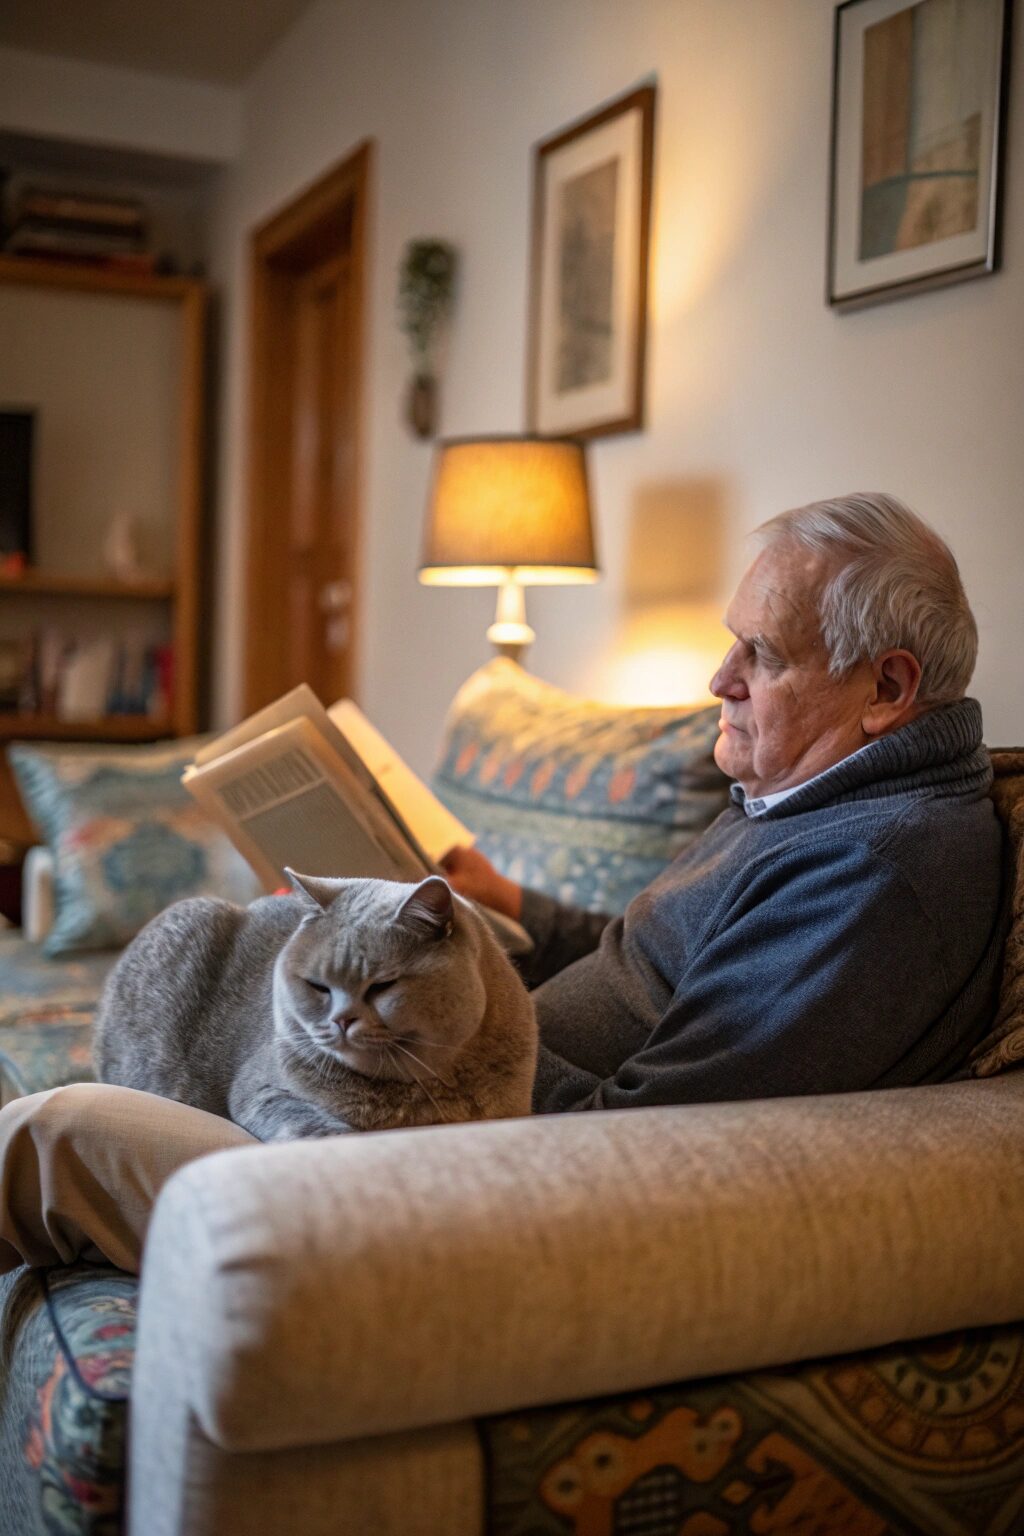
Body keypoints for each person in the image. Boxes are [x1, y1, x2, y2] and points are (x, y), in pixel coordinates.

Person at [0, 493, 1008, 1276]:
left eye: (763, 655)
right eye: (730, 641)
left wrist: (459, 1042)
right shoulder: (807, 799)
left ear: (885, 689)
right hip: (412, 1096)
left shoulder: (876, 869)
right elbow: (655, 954)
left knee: (43, 1140)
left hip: (458, 1164)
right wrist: (507, 910)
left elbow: (668, 1133)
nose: (720, 679)